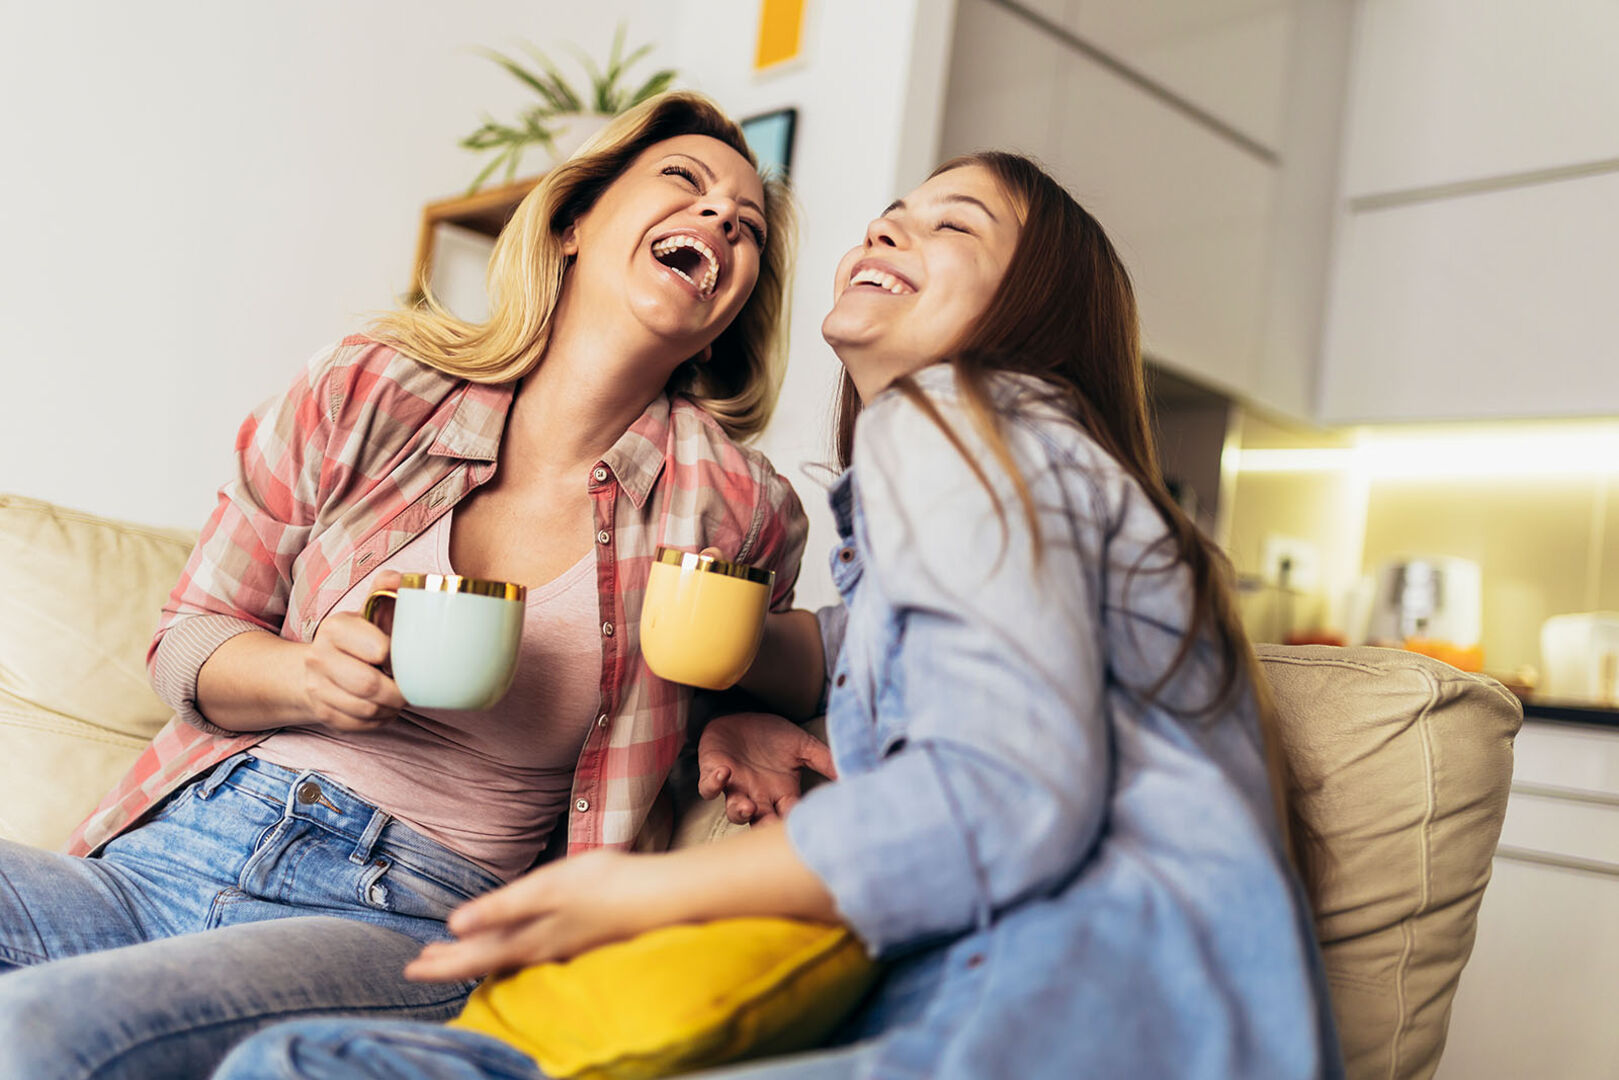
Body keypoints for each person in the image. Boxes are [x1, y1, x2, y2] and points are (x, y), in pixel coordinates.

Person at [211, 151, 1344, 1079]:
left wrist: (639, 887)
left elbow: (1002, 796)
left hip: (1052, 1022)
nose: (886, 232)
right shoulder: (1017, 482)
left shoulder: (961, 418)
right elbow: (849, 657)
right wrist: (721, 689)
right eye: (889, 216)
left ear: (1031, 313)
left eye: (950, 228)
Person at [0, 91, 818, 1080]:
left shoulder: (732, 503)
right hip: (167, 849)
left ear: (735, 301)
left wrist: (734, 715)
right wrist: (306, 678)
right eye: (683, 184)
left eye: (748, 226)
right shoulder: (369, 389)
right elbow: (189, 637)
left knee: (35, 1030)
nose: (721, 219)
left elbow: (724, 660)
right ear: (572, 222)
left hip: (397, 908)